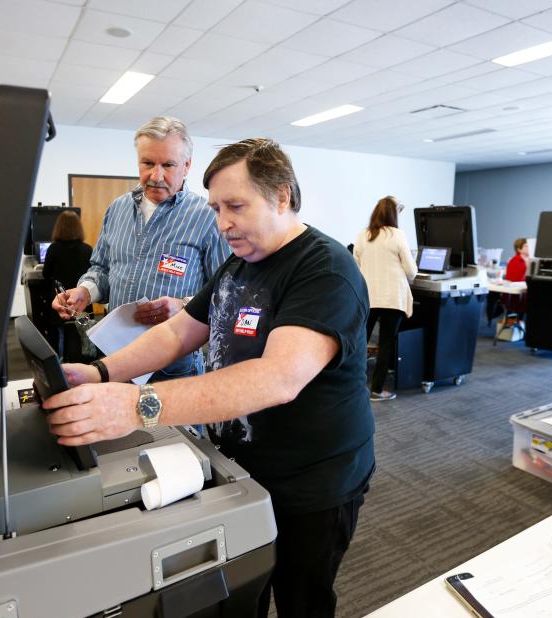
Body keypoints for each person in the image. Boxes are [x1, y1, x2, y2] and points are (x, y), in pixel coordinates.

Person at [43, 138, 375, 618]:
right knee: (244, 591)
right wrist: (99, 372)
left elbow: (276, 379)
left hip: (312, 483)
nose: (222, 223)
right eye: (217, 207)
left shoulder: (324, 270)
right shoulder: (242, 260)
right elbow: (179, 333)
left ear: (281, 196)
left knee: (303, 600)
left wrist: (137, 405)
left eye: (235, 206)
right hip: (244, 469)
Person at [52, 116, 230, 379]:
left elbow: (226, 291)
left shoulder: (207, 217)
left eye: (168, 165)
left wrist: (184, 305)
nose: (156, 176)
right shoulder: (117, 209)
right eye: (148, 163)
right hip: (115, 357)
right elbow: (100, 269)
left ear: (187, 165)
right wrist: (85, 291)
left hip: (173, 365)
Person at [353, 196, 416, 401]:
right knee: (386, 343)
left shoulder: (364, 235)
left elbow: (356, 266)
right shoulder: (397, 235)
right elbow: (411, 270)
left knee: (361, 341)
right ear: (393, 214)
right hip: (392, 297)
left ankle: (354, 386)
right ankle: (377, 390)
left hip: (369, 297)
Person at [42, 210, 93, 357]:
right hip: (81, 301)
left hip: (61, 300)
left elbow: (46, 274)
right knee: (81, 335)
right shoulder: (87, 249)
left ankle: (60, 365)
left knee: (59, 335)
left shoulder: (53, 249)